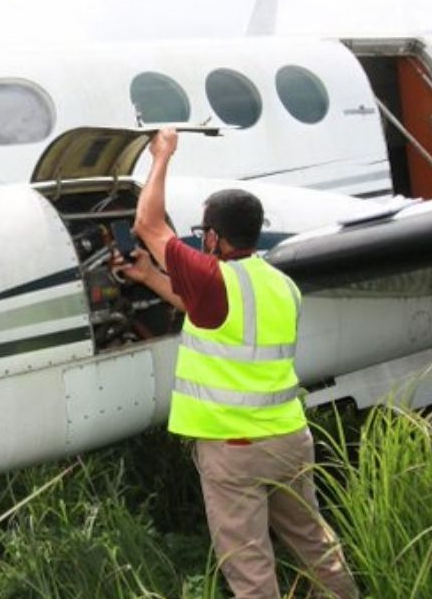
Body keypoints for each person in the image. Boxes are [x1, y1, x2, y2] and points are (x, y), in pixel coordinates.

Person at [117, 128, 359, 599]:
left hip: (235, 446)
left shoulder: (214, 277)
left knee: (249, 566)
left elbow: (148, 223)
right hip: (289, 436)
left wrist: (162, 155)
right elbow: (204, 314)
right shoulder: (277, 283)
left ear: (213, 236)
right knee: (313, 543)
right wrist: (148, 274)